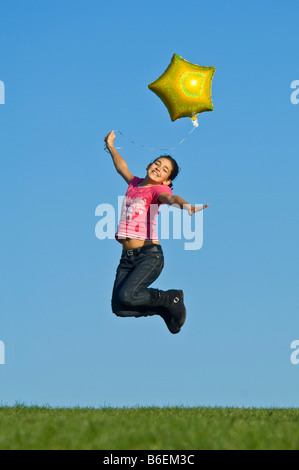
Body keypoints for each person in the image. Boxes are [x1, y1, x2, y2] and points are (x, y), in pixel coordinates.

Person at [104, 130, 209, 334]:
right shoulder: (135, 184)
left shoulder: (158, 191)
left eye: (164, 170)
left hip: (148, 256)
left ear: (166, 181)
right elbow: (121, 167)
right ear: (148, 166)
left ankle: (170, 298)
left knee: (126, 296)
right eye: (157, 164)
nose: (158, 169)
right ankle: (163, 308)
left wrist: (186, 206)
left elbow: (172, 199)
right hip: (126, 258)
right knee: (119, 307)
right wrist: (111, 147)